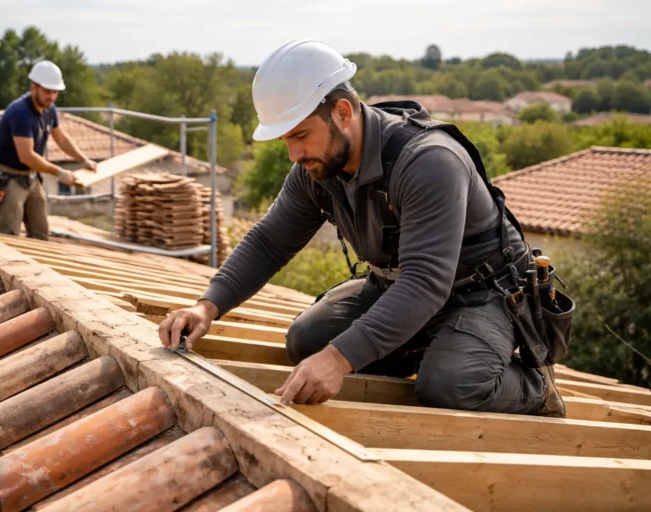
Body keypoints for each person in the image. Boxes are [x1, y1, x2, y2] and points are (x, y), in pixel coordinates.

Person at [158, 40, 565, 418]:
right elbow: (268, 242)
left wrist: (340, 360)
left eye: (300, 135)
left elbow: (425, 282)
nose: (293, 154)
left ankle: (536, 388)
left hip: (480, 294)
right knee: (307, 342)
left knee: (450, 386)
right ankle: (428, 350)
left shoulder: (429, 162)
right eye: (285, 139)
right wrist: (206, 306)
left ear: (342, 113)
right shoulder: (318, 167)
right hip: (399, 287)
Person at [0, 60, 97, 240]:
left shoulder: (48, 109)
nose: (51, 97)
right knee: (8, 235)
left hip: (30, 176)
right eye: (47, 91)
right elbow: (27, 156)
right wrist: (59, 172)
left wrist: (83, 159)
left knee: (40, 232)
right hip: (8, 177)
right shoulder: (20, 113)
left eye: (55, 92)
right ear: (34, 87)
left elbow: (60, 137)